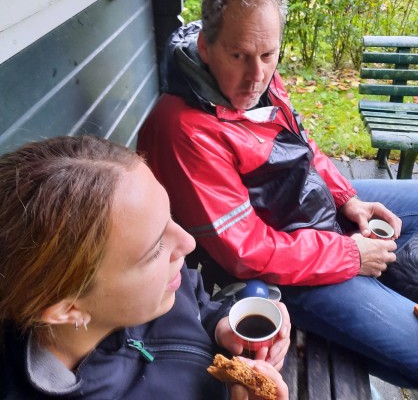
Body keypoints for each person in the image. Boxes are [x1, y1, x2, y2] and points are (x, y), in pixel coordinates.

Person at [138, 0, 418, 393]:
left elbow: (303, 146)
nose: (256, 75)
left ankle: (371, 306)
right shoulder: (184, 130)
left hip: (299, 209)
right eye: (238, 56)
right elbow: (246, 253)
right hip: (273, 269)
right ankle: (346, 327)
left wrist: (347, 199)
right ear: (206, 48)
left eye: (268, 56)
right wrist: (349, 254)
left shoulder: (259, 81)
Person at [0, 135, 290, 400]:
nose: (188, 243)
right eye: (155, 249)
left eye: (169, 218)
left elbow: (195, 300)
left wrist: (220, 325)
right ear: (69, 309)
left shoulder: (162, 282)